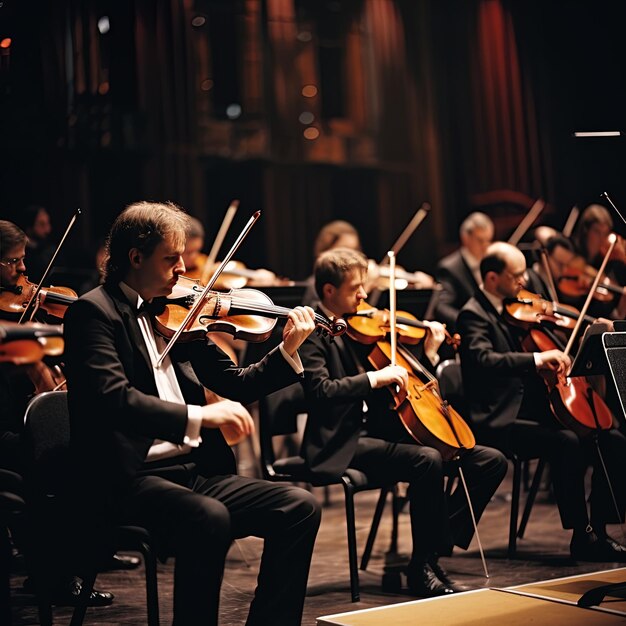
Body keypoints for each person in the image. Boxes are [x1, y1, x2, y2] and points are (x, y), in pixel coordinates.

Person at [63, 201, 321, 626]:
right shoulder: (94, 313)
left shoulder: (179, 312)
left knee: (299, 506)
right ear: (135, 257)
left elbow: (237, 382)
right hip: (128, 477)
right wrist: (199, 418)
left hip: (191, 470)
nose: (184, 268)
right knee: (208, 517)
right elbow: (114, 398)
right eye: (171, 258)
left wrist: (287, 349)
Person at [299, 247, 507, 597]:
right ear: (329, 291)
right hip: (343, 440)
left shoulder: (366, 326)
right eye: (355, 289)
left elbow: (405, 380)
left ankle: (434, 551)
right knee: (427, 459)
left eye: (364, 286)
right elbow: (322, 391)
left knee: (489, 461)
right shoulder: (312, 333)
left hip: (384, 428)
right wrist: (376, 378)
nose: (365, 296)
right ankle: (421, 566)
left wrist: (426, 354)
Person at [457, 241, 626, 561]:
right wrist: (535, 359)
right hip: (502, 416)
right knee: (566, 441)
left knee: (611, 438)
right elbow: (484, 359)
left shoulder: (519, 306)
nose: (525, 282)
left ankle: (601, 529)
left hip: (535, 406)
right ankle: (582, 534)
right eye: (516, 275)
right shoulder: (472, 315)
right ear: (492, 278)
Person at [0, 219, 120, 606]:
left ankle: (68, 565)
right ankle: (56, 573)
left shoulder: (23, 309)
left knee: (86, 450)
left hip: (15, 422)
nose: (23, 271)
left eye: (22, 260)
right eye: (11, 262)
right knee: (58, 460)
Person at [434, 212, 494, 331]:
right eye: (481, 240)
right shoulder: (449, 268)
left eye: (489, 240)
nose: (486, 246)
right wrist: (468, 323)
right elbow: (441, 306)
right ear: (465, 238)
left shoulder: (492, 262)